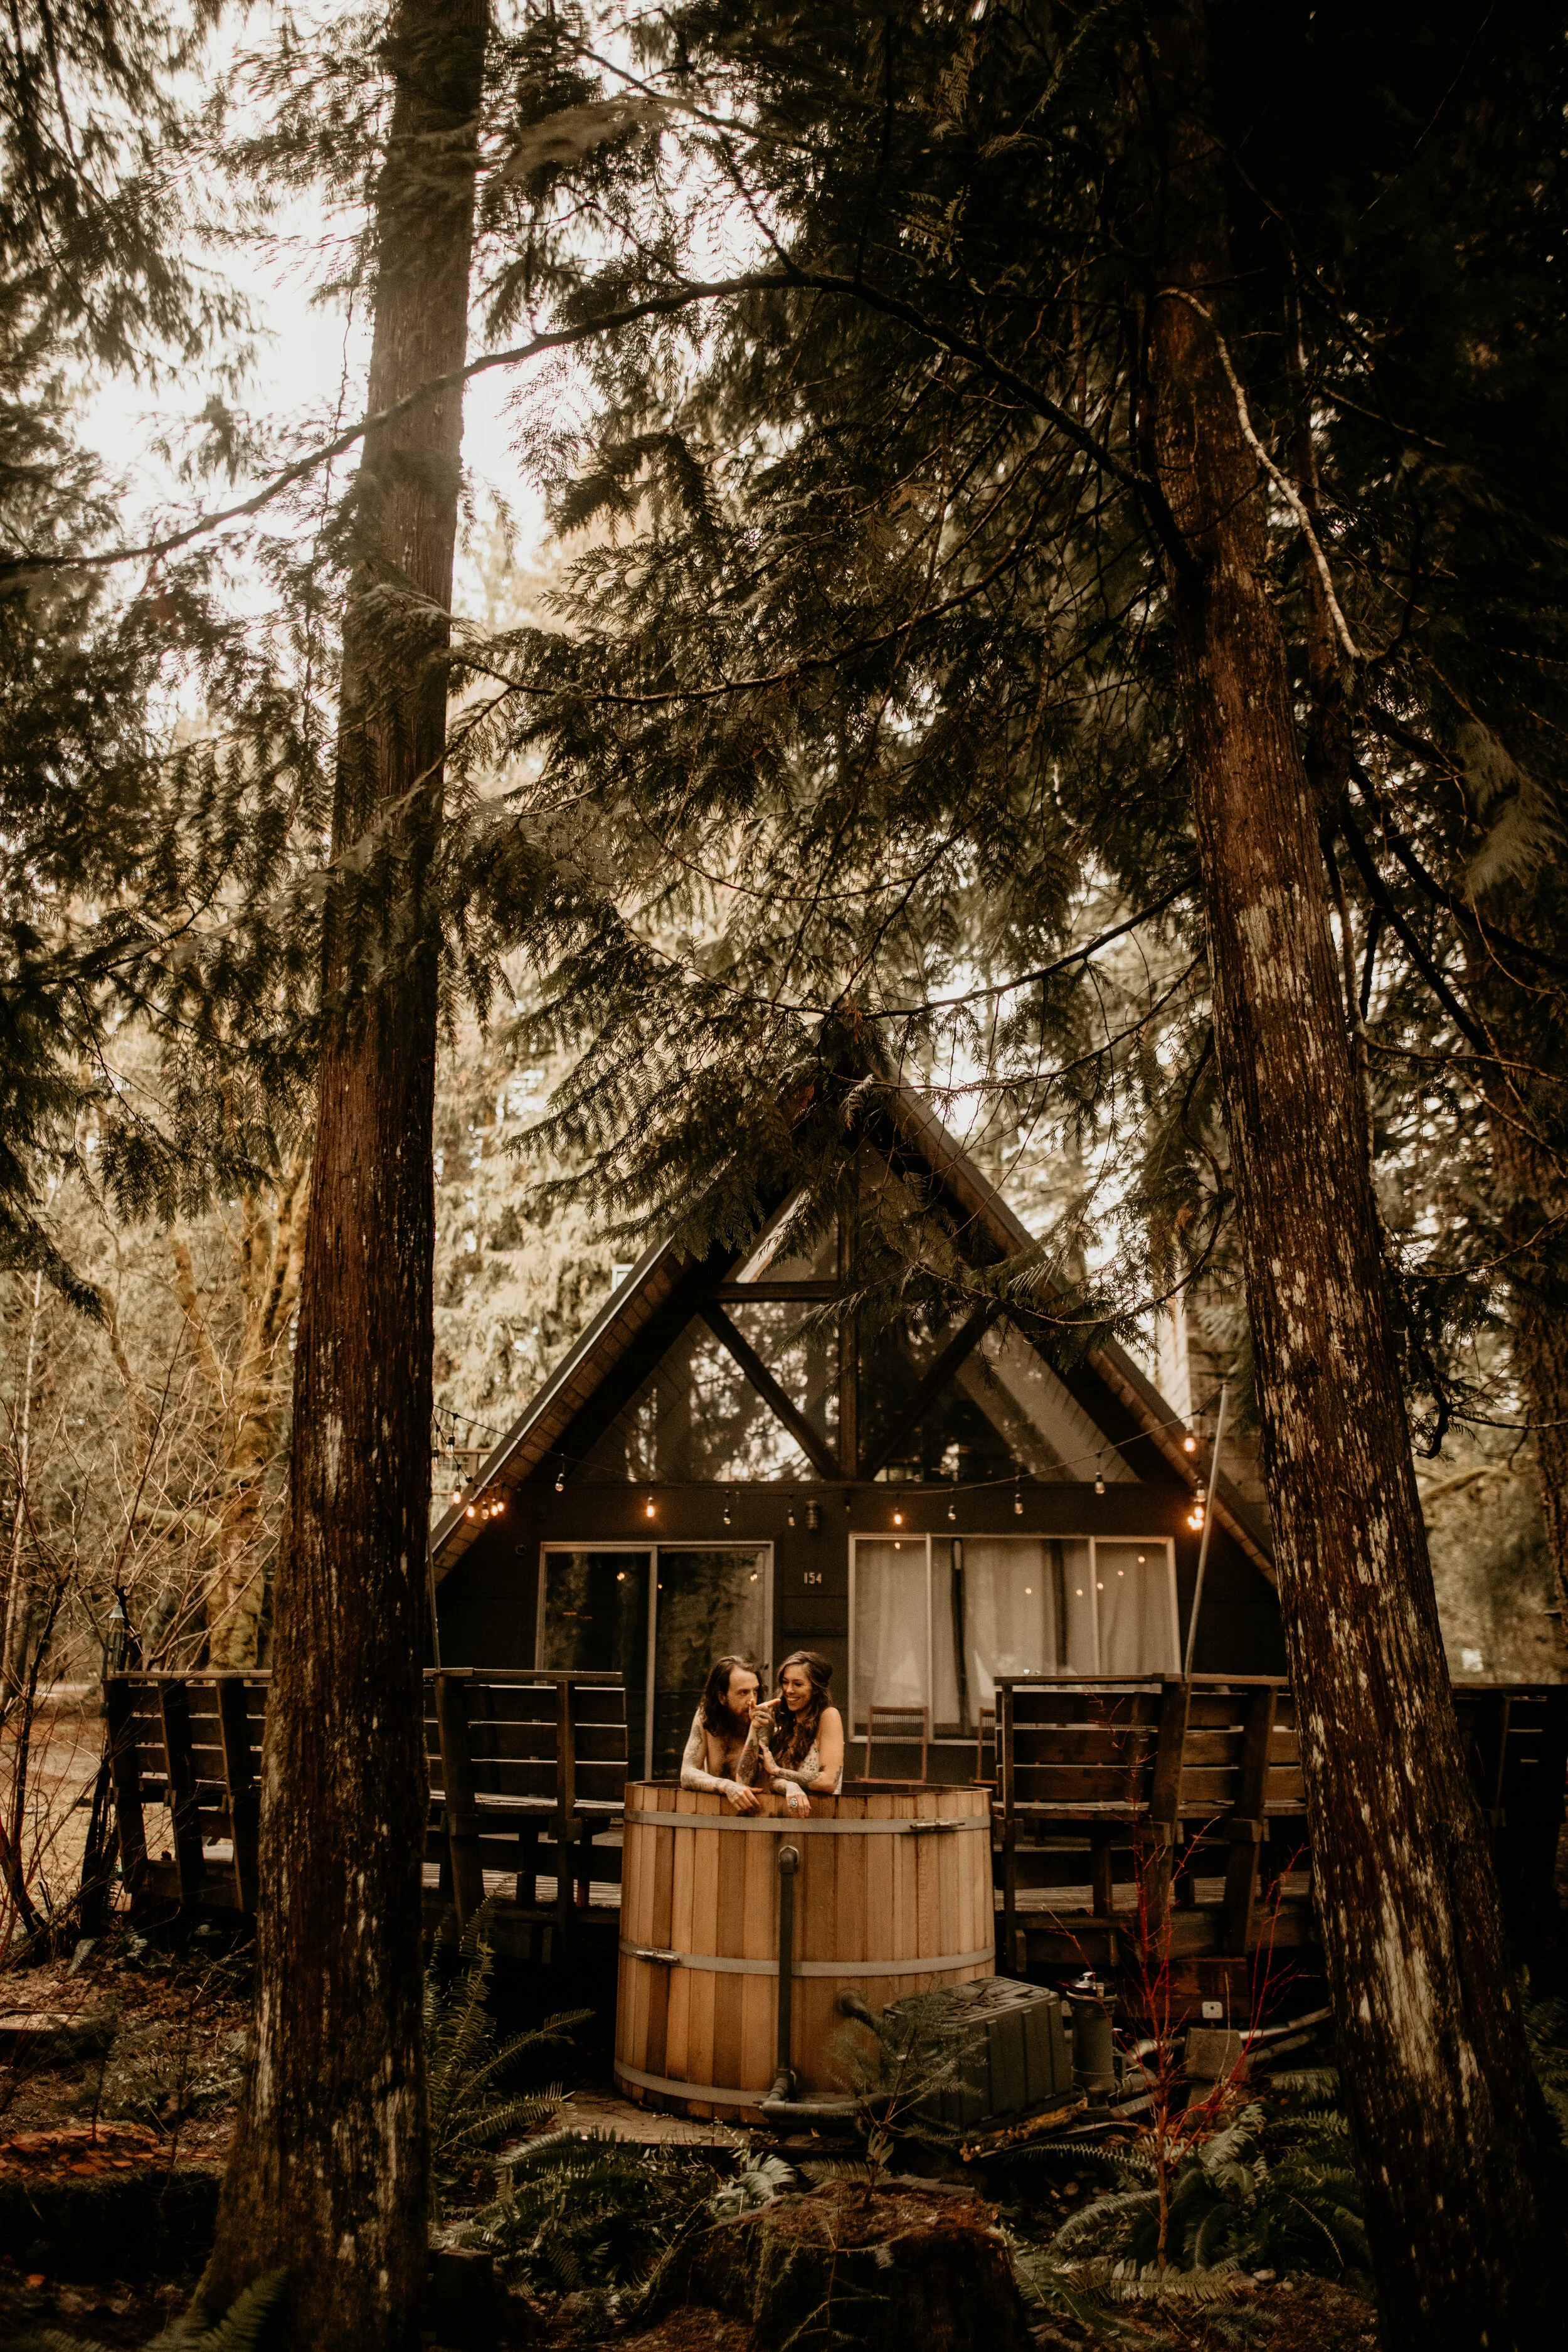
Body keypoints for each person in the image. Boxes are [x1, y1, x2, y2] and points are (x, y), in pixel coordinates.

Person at [755, 1650, 844, 1818]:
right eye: (785, 1682)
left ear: (816, 1689)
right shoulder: (783, 1722)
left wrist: (778, 1771)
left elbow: (829, 1782)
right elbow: (769, 1782)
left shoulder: (829, 1716)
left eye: (798, 1684)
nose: (788, 1690)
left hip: (823, 1817)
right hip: (792, 1812)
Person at [679, 1655, 766, 1813]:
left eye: (756, 1691)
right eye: (743, 1693)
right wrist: (727, 1786)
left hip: (759, 1814)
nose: (752, 1700)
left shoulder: (764, 1721)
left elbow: (746, 1782)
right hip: (715, 1814)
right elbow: (687, 1774)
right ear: (722, 1697)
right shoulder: (706, 1716)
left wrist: (754, 1729)